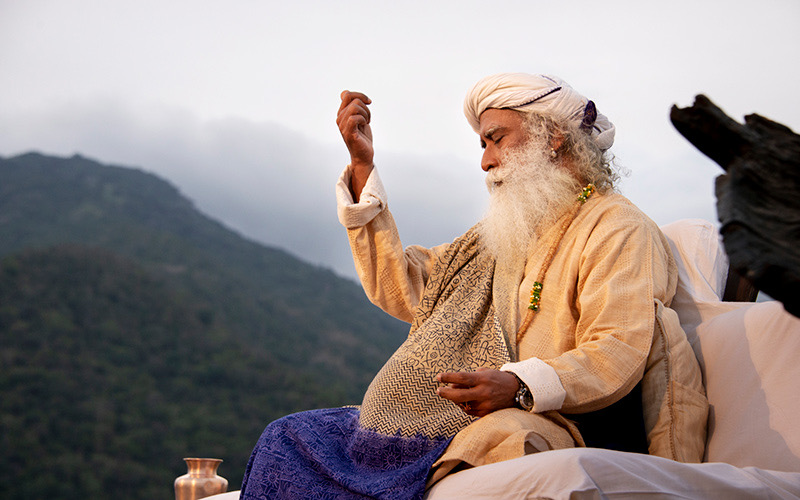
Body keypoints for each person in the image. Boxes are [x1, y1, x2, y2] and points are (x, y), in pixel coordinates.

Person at [240, 73, 708, 499]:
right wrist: (363, 168)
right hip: (452, 416)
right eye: (482, 146)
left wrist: (520, 384)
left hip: (549, 419)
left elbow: (617, 348)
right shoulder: (500, 237)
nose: (486, 162)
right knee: (287, 436)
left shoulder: (618, 227)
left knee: (500, 441)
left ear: (553, 137)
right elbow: (408, 287)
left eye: (496, 139)